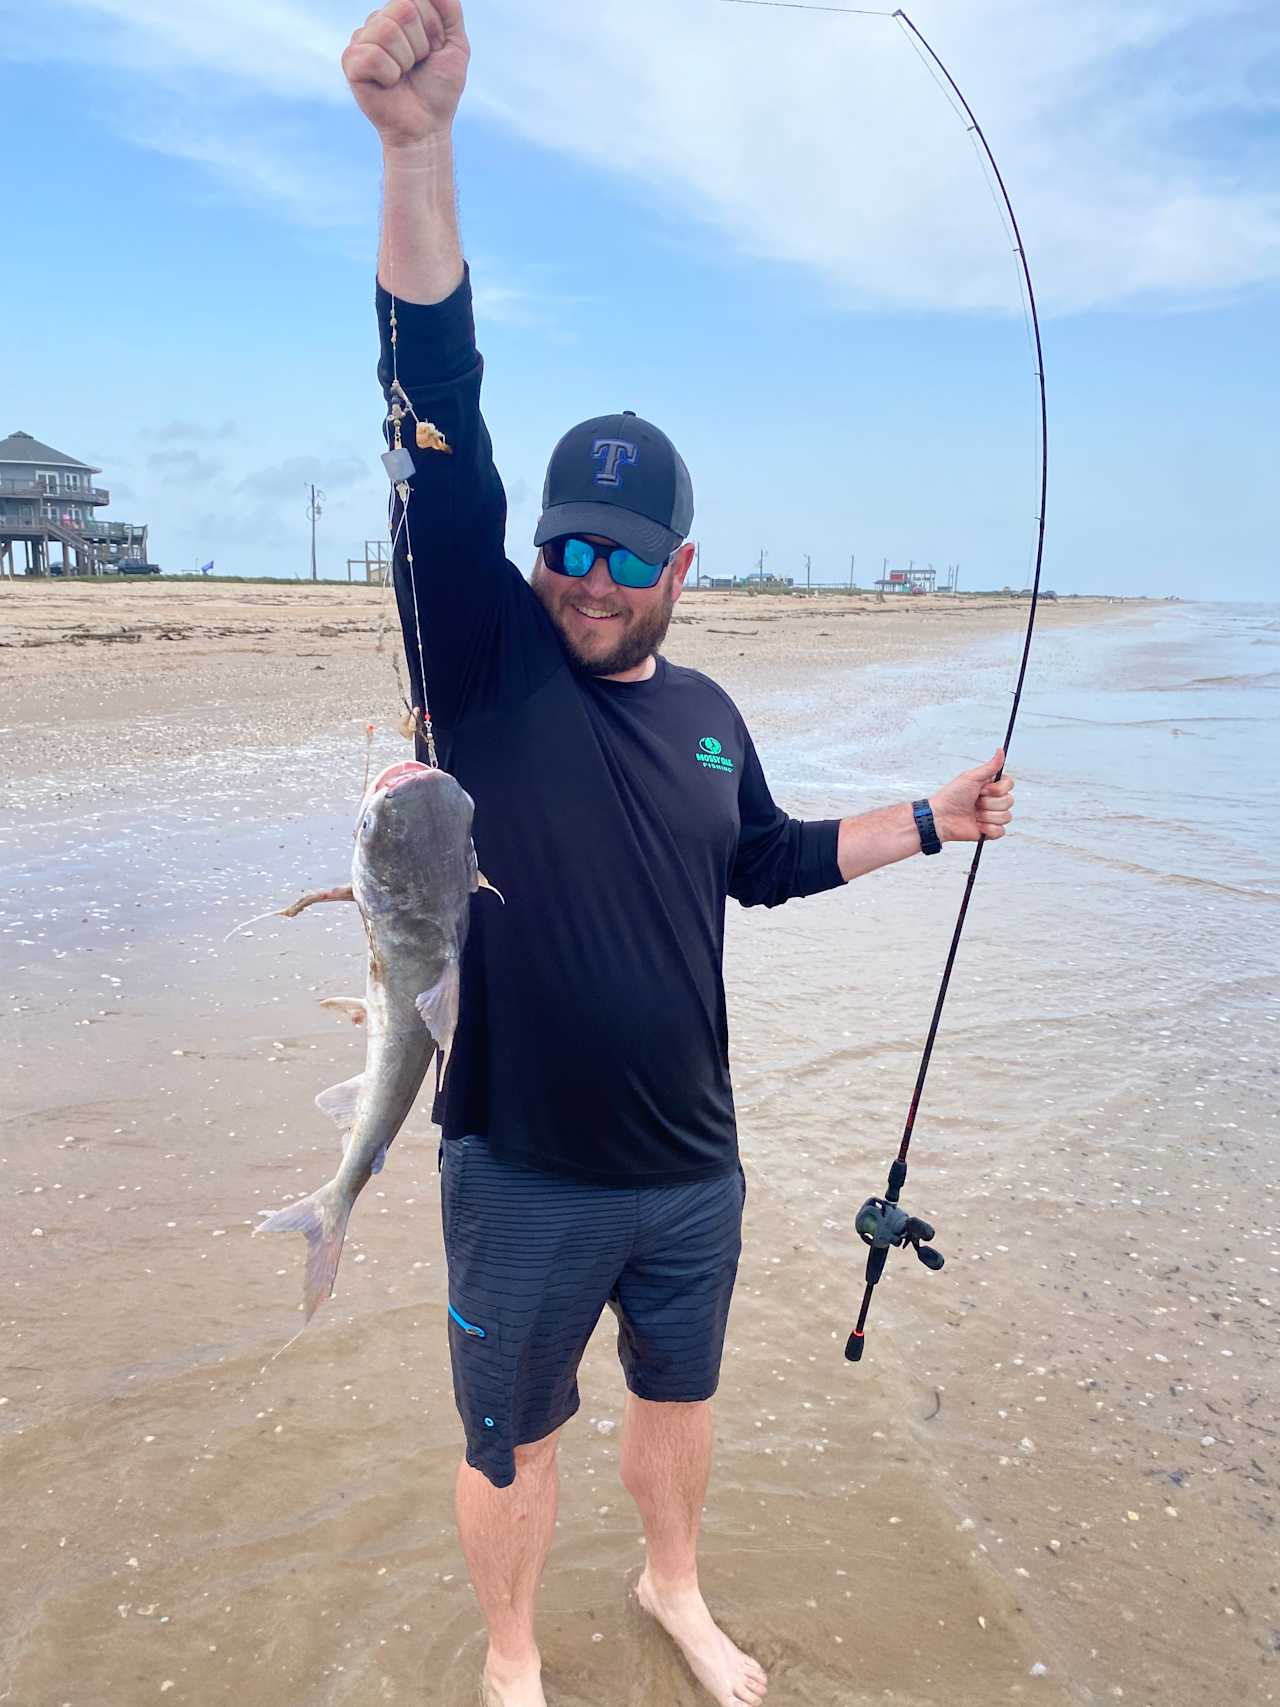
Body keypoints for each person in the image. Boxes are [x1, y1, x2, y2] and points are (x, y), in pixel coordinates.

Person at [343, 4, 1015, 1704]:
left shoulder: (712, 709)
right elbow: (436, 403)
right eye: (563, 541)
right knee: (507, 1443)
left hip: (692, 1164)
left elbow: (766, 859)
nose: (581, 574)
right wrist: (419, 156)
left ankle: (671, 1595)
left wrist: (933, 820)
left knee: (680, 1403)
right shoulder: (481, 660)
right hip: (518, 1167)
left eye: (618, 555)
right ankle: (512, 1657)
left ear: (680, 563)